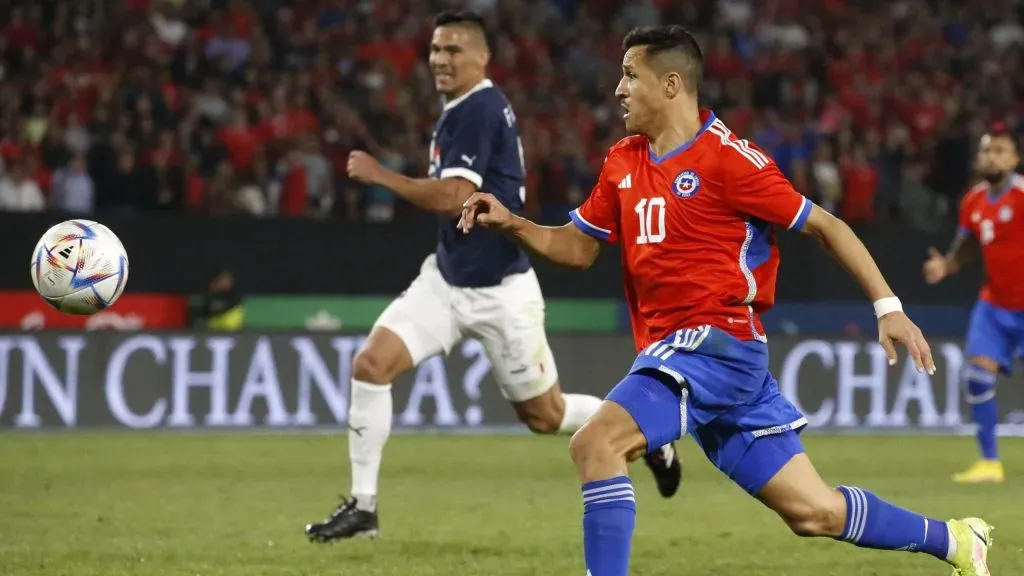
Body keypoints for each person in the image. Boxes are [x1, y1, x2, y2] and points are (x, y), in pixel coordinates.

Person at [460, 25, 993, 576]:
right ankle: (955, 540)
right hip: (700, 359)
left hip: (716, 342)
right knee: (814, 512)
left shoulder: (729, 160)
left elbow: (828, 226)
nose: (618, 89)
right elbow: (577, 247)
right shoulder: (623, 161)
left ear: (670, 84)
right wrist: (514, 223)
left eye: (630, 76)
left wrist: (889, 308)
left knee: (595, 445)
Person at [303, 11, 681, 543]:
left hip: (501, 291)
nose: (441, 59)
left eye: (454, 50)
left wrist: (381, 176)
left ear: (482, 58)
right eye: (436, 49)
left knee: (546, 415)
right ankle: (363, 508)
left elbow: (457, 195)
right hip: (446, 281)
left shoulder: (479, 109)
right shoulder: (461, 108)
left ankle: (649, 434)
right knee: (371, 365)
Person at [924, 130, 1024, 484]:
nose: (991, 156)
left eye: (1000, 150)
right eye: (986, 151)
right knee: (977, 378)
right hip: (994, 306)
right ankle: (989, 463)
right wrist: (946, 265)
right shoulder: (973, 201)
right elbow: (967, 246)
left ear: (1015, 159)